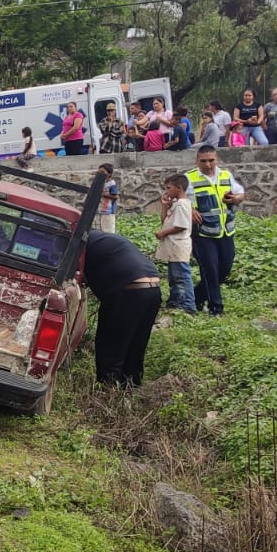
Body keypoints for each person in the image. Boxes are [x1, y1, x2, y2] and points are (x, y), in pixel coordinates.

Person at [84, 231, 162, 388]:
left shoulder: (79, 243)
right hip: (153, 290)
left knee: (110, 346)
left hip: (130, 290)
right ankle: (131, 388)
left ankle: (108, 393)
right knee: (136, 345)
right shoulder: (100, 239)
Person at [186, 145, 244, 317]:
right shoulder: (189, 178)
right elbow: (179, 198)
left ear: (216, 159)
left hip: (225, 230)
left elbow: (241, 193)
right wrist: (190, 209)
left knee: (224, 269)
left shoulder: (225, 175)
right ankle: (215, 308)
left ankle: (197, 295)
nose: (208, 164)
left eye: (211, 160)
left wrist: (235, 198)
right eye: (203, 161)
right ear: (197, 161)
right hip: (202, 233)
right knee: (210, 269)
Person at [155, 173, 196, 315]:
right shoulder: (175, 204)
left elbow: (181, 226)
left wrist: (163, 233)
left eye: (169, 188)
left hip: (179, 246)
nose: (167, 191)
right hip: (173, 248)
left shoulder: (182, 205)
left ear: (179, 188)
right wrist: (165, 207)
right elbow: (165, 221)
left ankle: (188, 305)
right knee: (174, 277)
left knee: (182, 277)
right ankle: (175, 302)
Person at [96, 163, 120, 233]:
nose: (100, 174)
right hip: (103, 209)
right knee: (103, 229)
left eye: (103, 172)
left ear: (109, 174)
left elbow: (115, 196)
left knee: (109, 230)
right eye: (99, 172)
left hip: (109, 211)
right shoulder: (103, 183)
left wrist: (102, 194)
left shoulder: (112, 184)